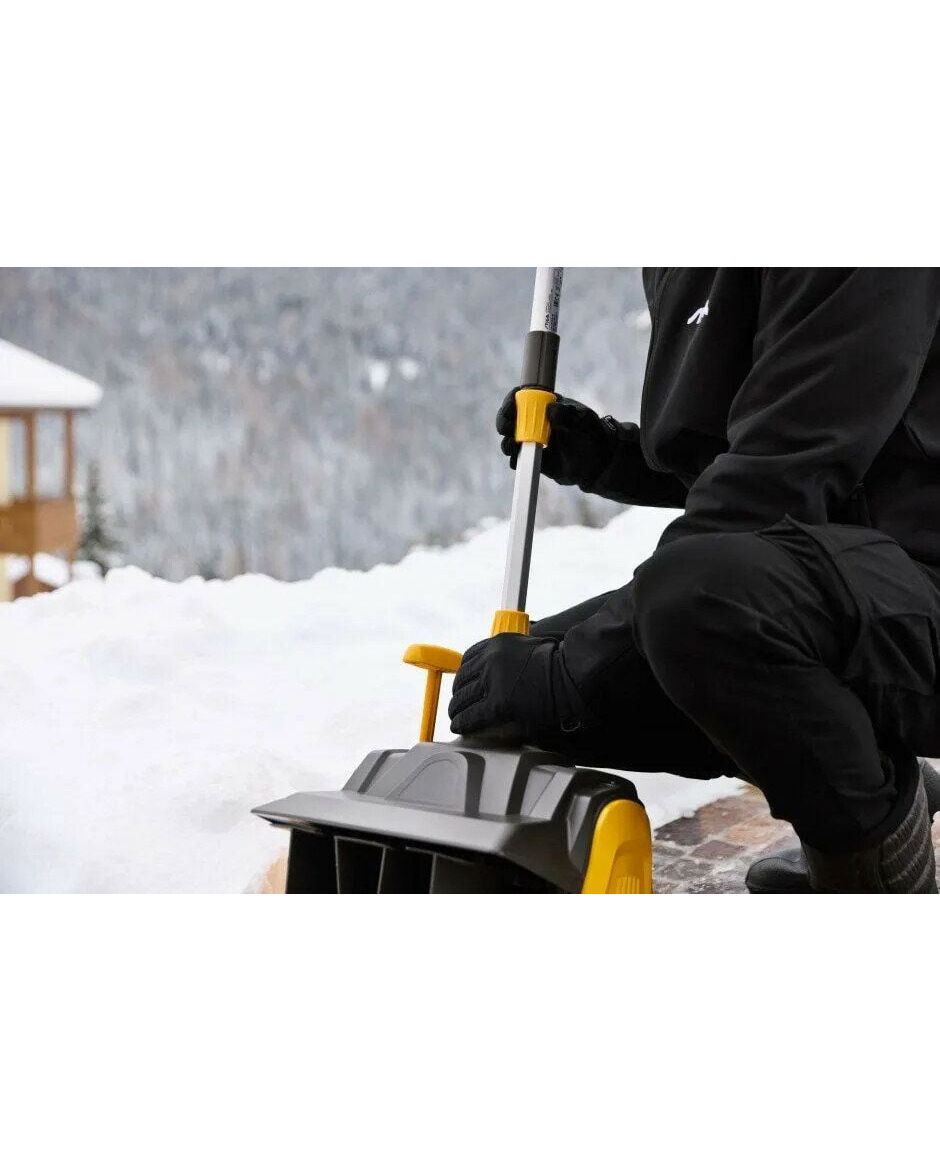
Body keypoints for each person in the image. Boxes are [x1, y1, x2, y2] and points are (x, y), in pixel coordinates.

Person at [448, 268, 940, 893]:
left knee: (692, 610)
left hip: (920, 578)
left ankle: (871, 865)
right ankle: (867, 783)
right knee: (514, 693)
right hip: (840, 577)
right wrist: (606, 455)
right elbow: (744, 450)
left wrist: (572, 670)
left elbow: (778, 478)